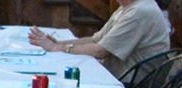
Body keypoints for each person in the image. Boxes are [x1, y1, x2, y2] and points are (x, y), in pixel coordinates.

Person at [28, 0, 169, 78]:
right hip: (121, 80)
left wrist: (57, 48)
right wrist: (58, 43)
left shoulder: (140, 11)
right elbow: (96, 40)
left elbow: (102, 51)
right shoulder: (127, 8)